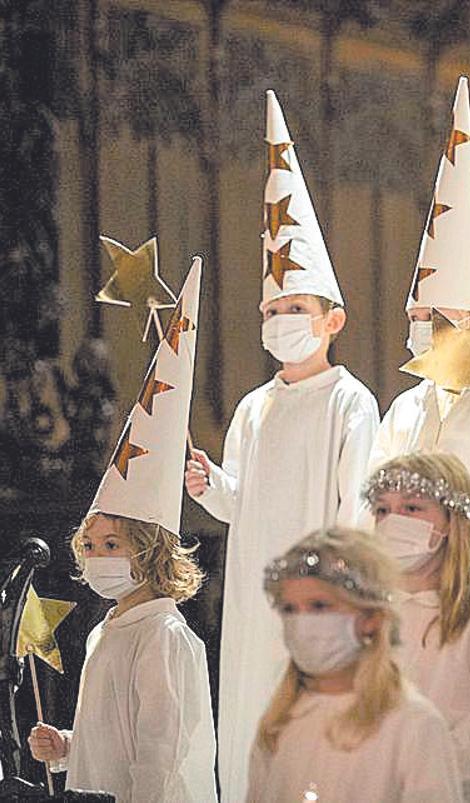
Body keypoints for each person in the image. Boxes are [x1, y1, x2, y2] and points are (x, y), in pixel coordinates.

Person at [185, 89, 379, 801]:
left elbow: (356, 511)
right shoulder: (254, 406)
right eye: (272, 309)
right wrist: (211, 485)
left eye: (295, 307)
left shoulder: (351, 402)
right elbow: (243, 501)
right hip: (253, 600)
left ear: (333, 320)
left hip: (318, 599)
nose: (280, 319)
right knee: (253, 720)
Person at [30, 261, 217, 803]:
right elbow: (112, 734)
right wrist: (67, 746)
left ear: (150, 551)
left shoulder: (162, 636)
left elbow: (160, 750)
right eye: (89, 547)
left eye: (112, 545)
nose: (97, 558)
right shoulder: (106, 631)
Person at [370, 77, 470, 494]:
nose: (420, 326)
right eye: (414, 316)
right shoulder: (403, 409)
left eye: (431, 315)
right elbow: (373, 490)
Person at [365, 452, 470, 802]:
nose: (393, 521)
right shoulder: (362, 619)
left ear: (449, 521)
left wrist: (414, 754)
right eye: (382, 510)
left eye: (412, 508)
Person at [248, 528, 463, 802]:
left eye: (319, 606)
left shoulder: (412, 725)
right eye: (289, 609)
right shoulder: (280, 721)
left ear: (371, 618)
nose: (301, 623)